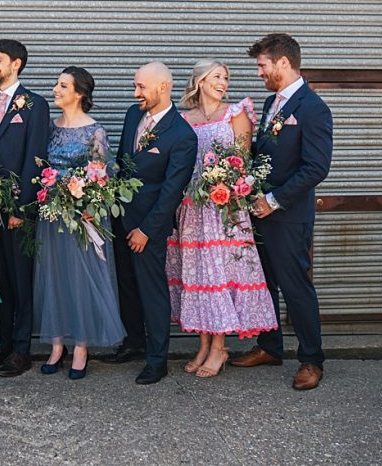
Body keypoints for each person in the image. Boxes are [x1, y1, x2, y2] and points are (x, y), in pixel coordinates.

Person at [230, 34, 333, 391]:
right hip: (259, 212)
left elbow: (316, 167)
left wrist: (272, 199)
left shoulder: (313, 108)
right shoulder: (272, 101)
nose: (259, 72)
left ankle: (311, 360)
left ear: (283, 63)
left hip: (287, 214)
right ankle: (270, 346)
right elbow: (265, 154)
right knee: (265, 284)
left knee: (296, 286)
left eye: (262, 65)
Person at [166, 60, 277, 379]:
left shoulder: (237, 113)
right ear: (200, 81)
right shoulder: (184, 119)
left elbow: (243, 161)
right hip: (192, 208)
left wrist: (226, 182)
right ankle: (203, 344)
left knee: (220, 276)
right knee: (197, 276)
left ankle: (220, 348)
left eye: (226, 78)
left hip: (225, 208)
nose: (223, 82)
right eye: (217, 77)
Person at [33, 67, 125, 381]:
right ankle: (57, 345)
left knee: (82, 276)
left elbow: (103, 175)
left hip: (81, 216)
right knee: (54, 276)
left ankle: (81, 346)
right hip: (51, 215)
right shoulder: (49, 128)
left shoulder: (94, 130)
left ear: (80, 93)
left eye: (62, 85)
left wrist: (89, 204)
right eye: (56, 84)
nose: (55, 90)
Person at [110, 62, 197, 385]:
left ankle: (157, 360)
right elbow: (122, 164)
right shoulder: (134, 115)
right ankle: (133, 343)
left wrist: (147, 230)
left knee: (152, 291)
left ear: (163, 87)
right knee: (127, 286)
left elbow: (172, 191)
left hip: (150, 227)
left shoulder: (182, 135)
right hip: (121, 219)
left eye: (141, 87)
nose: (136, 94)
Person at [0, 40, 49, 377]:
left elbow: (36, 157)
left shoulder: (35, 104)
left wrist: (23, 208)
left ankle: (21, 349)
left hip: (18, 211)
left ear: (16, 64)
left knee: (21, 281)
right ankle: (1, 344)